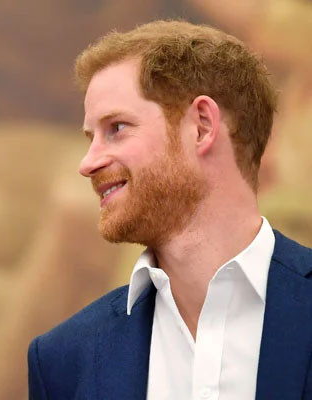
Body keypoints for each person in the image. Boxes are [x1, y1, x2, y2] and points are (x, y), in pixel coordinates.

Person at [27, 20, 312, 400]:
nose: (88, 163)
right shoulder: (63, 359)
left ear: (202, 127)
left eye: (117, 128)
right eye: (91, 137)